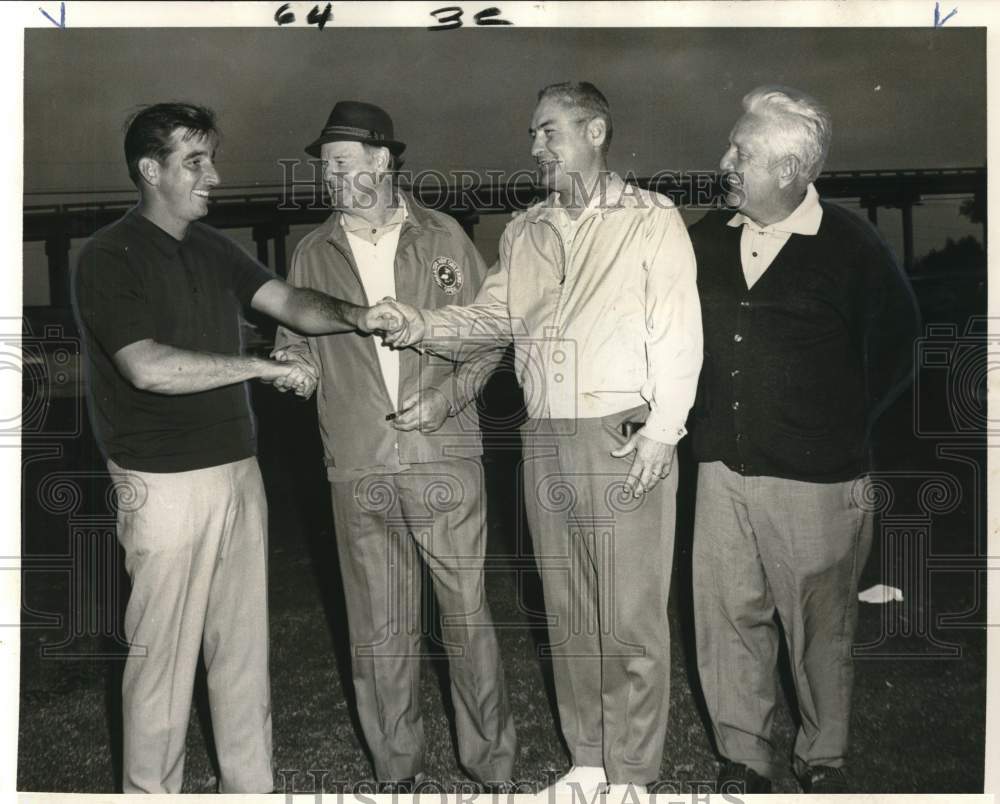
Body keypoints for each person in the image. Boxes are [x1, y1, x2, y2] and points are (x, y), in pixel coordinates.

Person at [382, 83, 702, 800]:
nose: (534, 147)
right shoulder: (524, 229)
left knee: (629, 613)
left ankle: (633, 775)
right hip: (544, 433)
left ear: (594, 131)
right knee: (566, 607)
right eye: (532, 133)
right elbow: (491, 317)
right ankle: (587, 761)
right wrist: (420, 324)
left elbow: (679, 333)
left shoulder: (650, 218)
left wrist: (662, 432)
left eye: (548, 131)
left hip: (623, 430)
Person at [71, 102, 401, 794]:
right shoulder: (108, 255)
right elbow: (148, 367)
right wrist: (260, 366)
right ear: (150, 170)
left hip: (237, 475)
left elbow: (290, 302)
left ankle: (250, 788)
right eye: (197, 162)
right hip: (161, 486)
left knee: (242, 656)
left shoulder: (213, 247)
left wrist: (358, 317)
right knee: (161, 661)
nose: (215, 176)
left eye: (212, 159)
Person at [271, 100, 517, 792]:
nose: (329, 177)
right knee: (379, 629)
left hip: (445, 458)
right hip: (358, 464)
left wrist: (446, 398)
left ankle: (492, 767)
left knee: (467, 618)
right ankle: (397, 771)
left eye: (342, 163)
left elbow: (489, 341)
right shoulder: (310, 252)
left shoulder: (444, 239)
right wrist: (295, 371)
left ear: (383, 162)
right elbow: (296, 346)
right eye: (325, 166)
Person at [686, 86, 921, 794]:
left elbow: (898, 345)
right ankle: (743, 755)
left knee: (820, 630)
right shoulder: (706, 238)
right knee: (727, 618)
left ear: (789, 171)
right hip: (722, 471)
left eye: (741, 151)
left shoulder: (850, 245)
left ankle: (822, 757)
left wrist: (840, 426)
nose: (724, 160)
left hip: (819, 482)